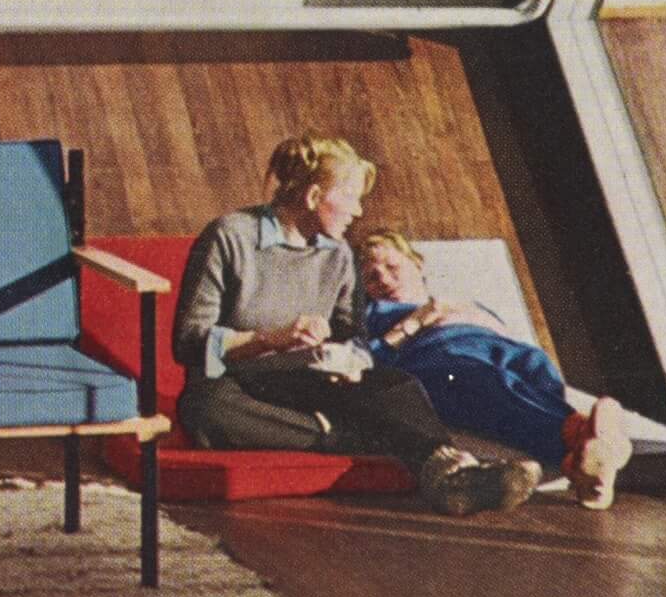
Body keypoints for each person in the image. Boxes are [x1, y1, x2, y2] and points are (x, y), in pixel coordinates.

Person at [173, 137, 539, 517]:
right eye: (350, 197)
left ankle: (452, 473)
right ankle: (352, 438)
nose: (358, 211)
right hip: (238, 381)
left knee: (396, 384)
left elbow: (353, 336)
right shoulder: (229, 236)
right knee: (207, 408)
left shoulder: (340, 254)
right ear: (314, 196)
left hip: (303, 380)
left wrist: (350, 358)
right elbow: (188, 344)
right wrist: (268, 339)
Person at [357, 228, 632, 509]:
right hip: (441, 355)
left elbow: (503, 331)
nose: (384, 279)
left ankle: (581, 461)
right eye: (371, 277)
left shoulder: (461, 301)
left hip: (498, 346)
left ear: (417, 264)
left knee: (535, 364)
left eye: (392, 267)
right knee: (487, 381)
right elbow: (366, 360)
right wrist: (414, 322)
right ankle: (579, 433)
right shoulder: (374, 313)